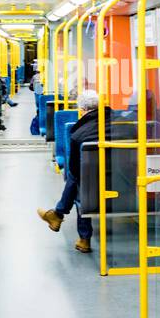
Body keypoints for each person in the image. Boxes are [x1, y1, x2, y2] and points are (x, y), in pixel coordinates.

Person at [37, 89, 106, 253]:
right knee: (80, 179)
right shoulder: (119, 123)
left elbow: (74, 170)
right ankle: (57, 214)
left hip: (93, 190)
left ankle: (76, 231)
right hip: (127, 187)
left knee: (77, 181)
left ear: (81, 110)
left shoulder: (79, 135)